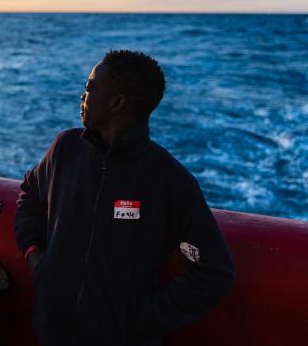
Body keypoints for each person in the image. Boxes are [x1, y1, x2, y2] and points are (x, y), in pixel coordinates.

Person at [15, 50, 236, 346]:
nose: (82, 96)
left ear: (116, 103)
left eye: (89, 89)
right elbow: (29, 195)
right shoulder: (65, 150)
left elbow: (214, 272)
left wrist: (139, 321)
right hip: (51, 333)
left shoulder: (168, 180)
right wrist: (34, 256)